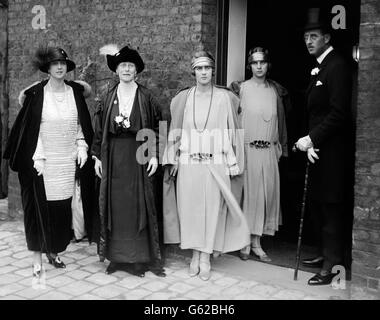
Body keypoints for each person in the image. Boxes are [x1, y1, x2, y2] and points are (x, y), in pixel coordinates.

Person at [3, 46, 95, 278]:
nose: (60, 67)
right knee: (36, 210)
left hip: (65, 161)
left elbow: (80, 125)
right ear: (48, 68)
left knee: (60, 210)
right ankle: (36, 258)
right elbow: (31, 130)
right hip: (42, 161)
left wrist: (81, 145)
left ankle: (53, 251)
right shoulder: (37, 95)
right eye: (54, 64)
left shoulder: (74, 93)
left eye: (63, 63)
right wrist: (37, 156)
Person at [163, 50, 250, 281]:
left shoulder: (224, 98)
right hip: (190, 162)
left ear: (213, 71)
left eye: (207, 68)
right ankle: (194, 254)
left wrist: (234, 161)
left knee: (212, 210)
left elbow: (233, 131)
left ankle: (206, 256)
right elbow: (175, 129)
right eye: (199, 68)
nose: (203, 72)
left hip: (215, 162)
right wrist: (173, 157)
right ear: (193, 71)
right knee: (190, 210)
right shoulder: (184, 98)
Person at [91, 45, 166, 278]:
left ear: (136, 71)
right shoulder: (107, 96)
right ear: (116, 70)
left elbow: (158, 126)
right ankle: (116, 257)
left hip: (138, 156)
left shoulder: (146, 97)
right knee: (115, 207)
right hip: (113, 156)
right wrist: (97, 157)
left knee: (137, 206)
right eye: (122, 65)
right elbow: (98, 129)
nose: (126, 69)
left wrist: (154, 154)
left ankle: (137, 259)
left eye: (130, 66)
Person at [295, 8, 353, 285]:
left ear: (327, 38)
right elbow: (317, 112)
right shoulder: (319, 66)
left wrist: (312, 139)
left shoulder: (337, 66)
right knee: (320, 206)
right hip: (318, 150)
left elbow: (339, 113)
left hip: (332, 153)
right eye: (306, 36)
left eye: (314, 36)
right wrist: (310, 142)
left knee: (331, 208)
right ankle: (324, 253)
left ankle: (333, 265)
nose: (309, 40)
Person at [231, 47, 290, 262]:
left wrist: (280, 148)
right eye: (254, 63)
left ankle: (257, 242)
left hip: (268, 151)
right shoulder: (240, 89)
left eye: (262, 62)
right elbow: (232, 122)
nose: (258, 67)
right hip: (247, 150)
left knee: (266, 197)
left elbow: (282, 124)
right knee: (249, 197)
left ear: (268, 65)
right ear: (249, 65)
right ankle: (244, 241)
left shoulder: (276, 91)